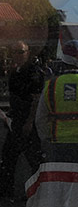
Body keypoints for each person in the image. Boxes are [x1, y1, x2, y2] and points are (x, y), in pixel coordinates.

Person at [0, 40, 44, 198]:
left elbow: (36, 99)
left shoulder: (33, 72)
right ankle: (6, 192)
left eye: (21, 52)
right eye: (14, 52)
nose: (17, 55)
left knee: (34, 159)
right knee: (8, 157)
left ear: (28, 53)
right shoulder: (16, 72)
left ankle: (39, 192)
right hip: (16, 121)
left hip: (27, 123)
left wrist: (30, 122)